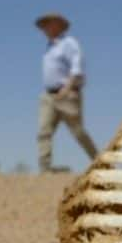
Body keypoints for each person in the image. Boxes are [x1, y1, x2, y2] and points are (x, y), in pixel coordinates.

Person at [34, 12, 98, 173]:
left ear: (58, 25)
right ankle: (45, 169)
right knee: (44, 132)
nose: (46, 28)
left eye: (49, 24)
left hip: (67, 94)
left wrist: (67, 89)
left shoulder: (69, 43)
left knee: (78, 132)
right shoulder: (49, 48)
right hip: (48, 96)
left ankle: (99, 162)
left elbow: (77, 69)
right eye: (44, 25)